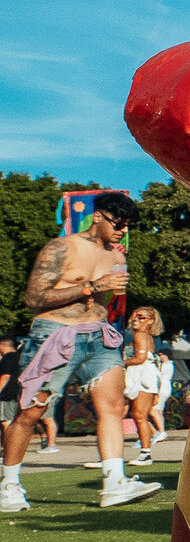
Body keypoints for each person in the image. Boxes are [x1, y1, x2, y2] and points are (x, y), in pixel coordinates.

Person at [1, 192, 159, 511]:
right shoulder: (61, 247)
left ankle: (114, 483)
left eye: (127, 226)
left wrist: (105, 295)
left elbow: (105, 300)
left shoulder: (117, 257)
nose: (122, 230)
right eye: (118, 223)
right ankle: (9, 486)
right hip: (55, 334)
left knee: (113, 407)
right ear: (97, 216)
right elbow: (34, 298)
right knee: (31, 412)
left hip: (99, 337)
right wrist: (93, 286)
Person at [122, 307, 171, 462]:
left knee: (139, 416)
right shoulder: (145, 336)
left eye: (141, 317)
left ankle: (145, 453)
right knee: (129, 414)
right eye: (134, 316)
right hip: (141, 376)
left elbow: (140, 359)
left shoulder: (141, 335)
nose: (136, 319)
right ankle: (112, 454)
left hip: (141, 376)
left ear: (151, 320)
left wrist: (120, 363)